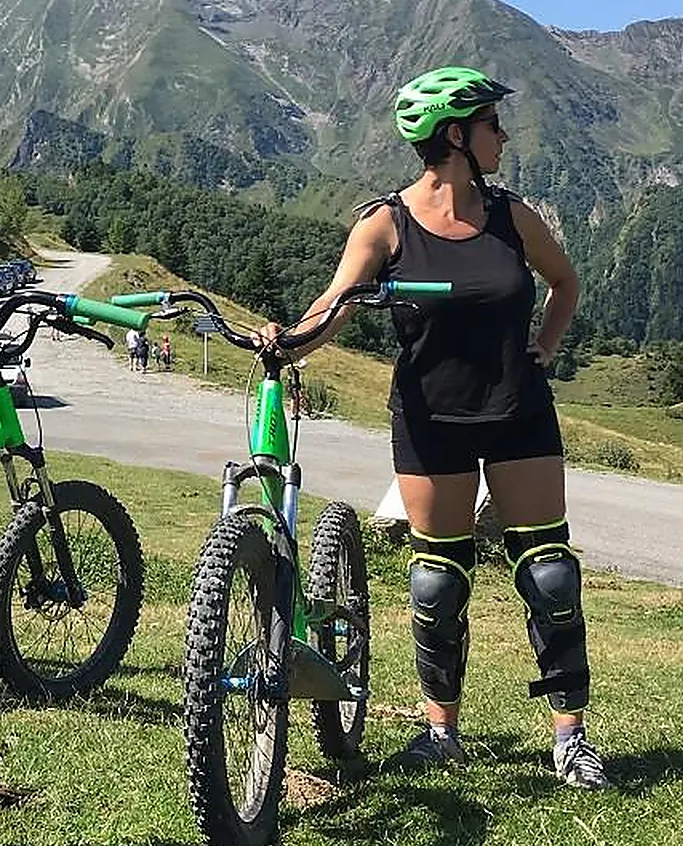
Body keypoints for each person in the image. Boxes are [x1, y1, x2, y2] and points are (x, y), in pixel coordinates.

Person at [256, 66, 607, 790]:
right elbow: (336, 303)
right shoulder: (385, 223)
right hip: (429, 420)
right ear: (455, 136)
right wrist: (286, 343)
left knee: (550, 574)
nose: (503, 135)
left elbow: (564, 281)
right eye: (491, 124)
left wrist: (545, 347)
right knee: (436, 584)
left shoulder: (512, 216)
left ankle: (570, 739)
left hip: (518, 414)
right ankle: (440, 732)